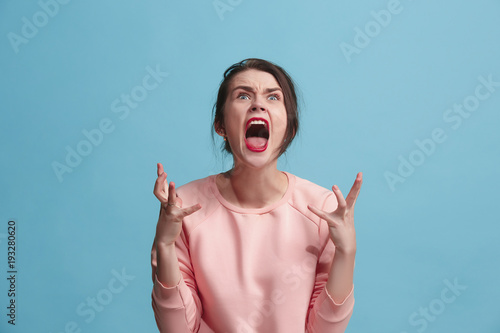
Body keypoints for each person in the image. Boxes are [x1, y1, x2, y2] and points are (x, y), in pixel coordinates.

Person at [150, 58, 363, 333]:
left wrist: (347, 253)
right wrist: (165, 247)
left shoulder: (323, 210)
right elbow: (178, 329)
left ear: (290, 129)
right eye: (243, 95)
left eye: (273, 97)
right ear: (221, 126)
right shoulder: (183, 207)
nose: (258, 104)